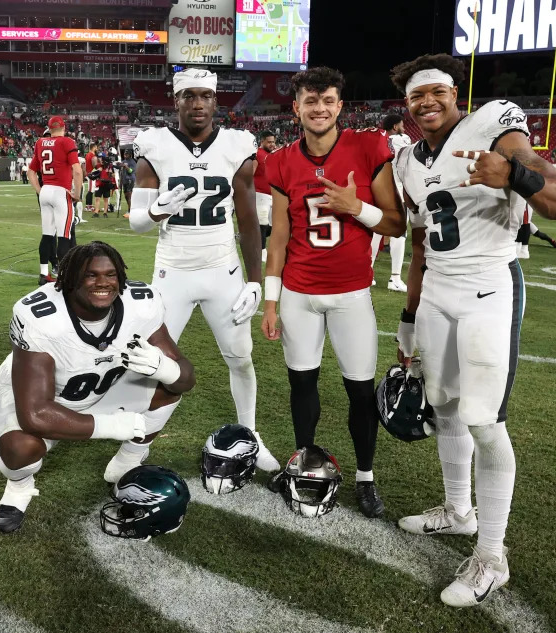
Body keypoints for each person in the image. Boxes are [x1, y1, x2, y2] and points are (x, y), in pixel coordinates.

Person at [389, 53, 556, 607]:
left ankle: (492, 556)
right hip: (438, 294)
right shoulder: (407, 162)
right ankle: (458, 512)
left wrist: (513, 173)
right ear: (407, 105)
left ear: (456, 94)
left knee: (484, 421)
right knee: (444, 405)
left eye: (437, 92)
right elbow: (421, 244)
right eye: (417, 96)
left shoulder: (495, 125)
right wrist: (408, 318)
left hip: (490, 287)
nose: (427, 103)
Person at [260, 67, 406, 518]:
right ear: (296, 107)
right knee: (301, 382)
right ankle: (305, 463)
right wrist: (270, 300)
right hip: (299, 293)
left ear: (340, 105)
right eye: (310, 100)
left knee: (360, 391)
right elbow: (279, 236)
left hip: (351, 293)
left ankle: (366, 477)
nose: (319, 108)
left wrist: (354, 206)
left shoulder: (367, 147)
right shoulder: (281, 160)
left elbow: (396, 222)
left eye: (327, 100)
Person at [129, 68, 278, 471]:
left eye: (205, 97)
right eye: (188, 96)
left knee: (241, 358)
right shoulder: (155, 145)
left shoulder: (235, 146)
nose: (197, 104)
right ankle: (135, 447)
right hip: (172, 272)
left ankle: (249, 434)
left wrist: (254, 281)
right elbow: (137, 221)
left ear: (216, 102)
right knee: (151, 363)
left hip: (221, 270)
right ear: (175, 101)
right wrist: (158, 209)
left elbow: (248, 221)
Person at [0, 242, 195, 533]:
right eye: (91, 275)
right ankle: (18, 487)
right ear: (69, 279)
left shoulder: (141, 303)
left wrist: (165, 367)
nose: (103, 283)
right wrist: (109, 425)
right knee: (20, 448)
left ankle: (129, 460)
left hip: (101, 386)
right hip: (41, 397)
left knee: (168, 388)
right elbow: (35, 414)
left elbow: (186, 379)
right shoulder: (41, 316)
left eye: (111, 275)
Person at [28, 115, 82, 285]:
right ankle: (63, 275)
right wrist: (78, 193)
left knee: (47, 235)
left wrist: (39, 189)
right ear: (64, 127)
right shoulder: (67, 142)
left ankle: (44, 274)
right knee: (64, 236)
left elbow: (31, 172)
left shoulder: (40, 142)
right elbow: (77, 171)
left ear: (49, 128)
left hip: (46, 191)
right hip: (61, 191)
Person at [371, 113, 410, 292]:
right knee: (398, 235)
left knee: (376, 233)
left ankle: (368, 273)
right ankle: (394, 278)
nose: (404, 128)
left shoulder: (377, 140)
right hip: (397, 194)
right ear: (395, 126)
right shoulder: (401, 139)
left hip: (378, 193)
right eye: (401, 124)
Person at [254, 130, 276, 263]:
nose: (272, 144)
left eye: (273, 141)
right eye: (269, 142)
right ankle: (262, 251)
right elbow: (250, 173)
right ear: (262, 141)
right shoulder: (257, 154)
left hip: (271, 195)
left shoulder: (272, 155)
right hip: (259, 194)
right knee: (262, 223)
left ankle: (251, 237)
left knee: (271, 226)